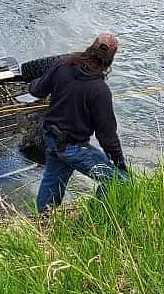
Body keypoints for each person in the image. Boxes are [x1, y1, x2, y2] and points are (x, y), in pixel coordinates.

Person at [29, 33, 128, 212]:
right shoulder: (100, 90)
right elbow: (107, 135)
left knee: (52, 181)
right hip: (73, 147)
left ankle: (42, 223)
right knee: (120, 182)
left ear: (91, 47)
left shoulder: (62, 65)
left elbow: (38, 90)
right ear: (110, 59)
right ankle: (92, 218)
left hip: (52, 139)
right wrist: (119, 161)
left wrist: (32, 83)